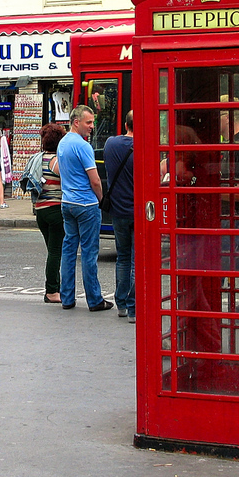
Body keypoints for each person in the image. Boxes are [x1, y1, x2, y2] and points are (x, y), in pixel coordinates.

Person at [57, 104, 113, 311]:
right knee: (89, 253)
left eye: (93, 122)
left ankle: (67, 298)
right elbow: (95, 180)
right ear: (76, 122)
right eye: (88, 122)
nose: (92, 126)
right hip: (86, 204)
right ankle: (95, 299)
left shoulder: (62, 143)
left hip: (67, 203)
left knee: (69, 250)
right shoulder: (83, 146)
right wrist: (101, 200)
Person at [103, 110, 135, 323]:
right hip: (139, 210)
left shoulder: (110, 144)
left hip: (117, 210)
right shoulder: (144, 146)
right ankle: (134, 308)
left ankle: (121, 304)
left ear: (125, 124)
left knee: (122, 257)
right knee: (135, 260)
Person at [35, 122, 66, 304]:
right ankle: (52, 291)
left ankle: (56, 287)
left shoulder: (38, 158)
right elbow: (67, 181)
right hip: (55, 209)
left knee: (52, 251)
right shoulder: (57, 161)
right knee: (55, 252)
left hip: (40, 210)